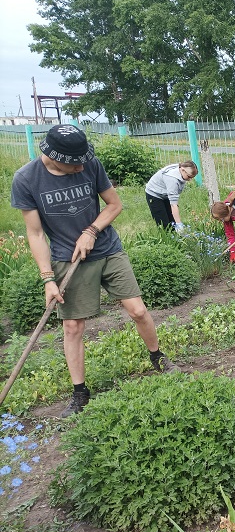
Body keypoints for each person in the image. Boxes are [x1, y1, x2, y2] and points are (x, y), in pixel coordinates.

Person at [11, 124, 180, 418]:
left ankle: (158, 357)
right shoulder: (26, 179)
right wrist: (48, 279)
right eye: (74, 162)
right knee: (72, 327)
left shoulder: (89, 163)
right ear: (53, 155)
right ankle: (80, 393)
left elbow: (114, 205)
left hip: (108, 249)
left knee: (138, 310)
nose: (81, 166)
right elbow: (35, 234)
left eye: (82, 160)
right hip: (67, 258)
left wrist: (91, 230)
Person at [145, 160, 198, 231]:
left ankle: (174, 237)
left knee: (172, 221)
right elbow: (173, 205)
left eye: (192, 177)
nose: (190, 179)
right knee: (164, 224)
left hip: (165, 193)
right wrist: (179, 224)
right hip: (154, 194)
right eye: (189, 176)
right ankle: (166, 240)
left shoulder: (180, 171)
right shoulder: (172, 179)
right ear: (182, 170)